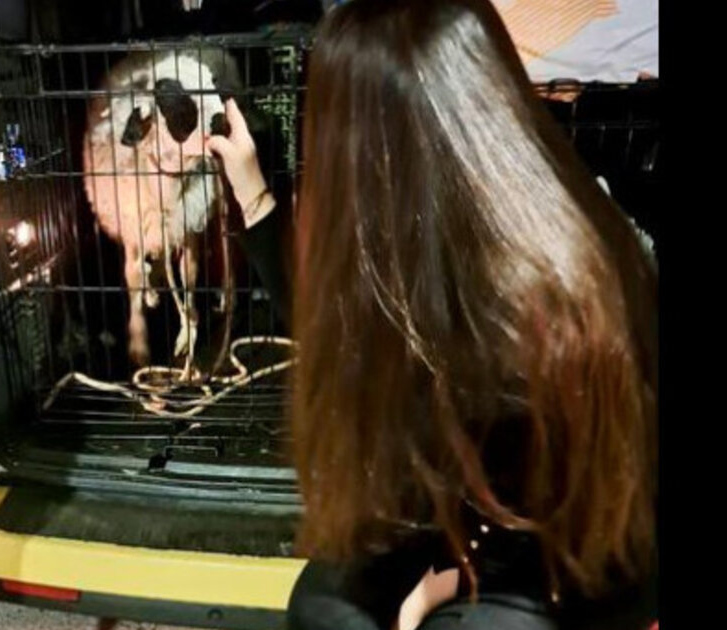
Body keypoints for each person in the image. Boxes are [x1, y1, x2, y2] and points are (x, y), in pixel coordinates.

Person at [205, 1, 657, 629]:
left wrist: (428, 598)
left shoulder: (537, 296)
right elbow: (343, 327)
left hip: (573, 561)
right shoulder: (460, 234)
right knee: (323, 606)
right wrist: (253, 194)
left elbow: (558, 524)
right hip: (488, 522)